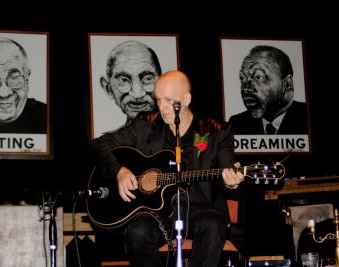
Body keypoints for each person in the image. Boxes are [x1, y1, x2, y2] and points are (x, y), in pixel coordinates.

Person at [90, 70, 244, 267]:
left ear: (186, 99)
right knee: (138, 231)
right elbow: (98, 145)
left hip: (202, 210)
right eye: (158, 100)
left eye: (169, 100)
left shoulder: (216, 131)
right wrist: (119, 172)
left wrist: (231, 184)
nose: (162, 107)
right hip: (159, 214)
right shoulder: (144, 125)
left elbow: (227, 178)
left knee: (212, 225)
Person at [228, 45, 308, 135]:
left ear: (287, 84)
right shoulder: (237, 124)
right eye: (243, 79)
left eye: (258, 77)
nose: (246, 88)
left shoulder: (307, 118)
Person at [100, 40, 162, 125]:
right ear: (108, 88)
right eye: (124, 80)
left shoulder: (175, 135)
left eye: (147, 79)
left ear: (163, 83)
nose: (137, 94)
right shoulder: (109, 138)